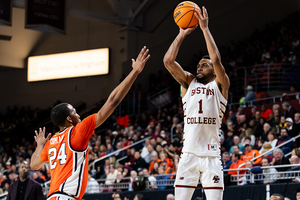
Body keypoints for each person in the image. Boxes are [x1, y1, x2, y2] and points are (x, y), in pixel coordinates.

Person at [30, 47, 150, 200]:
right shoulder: (77, 131)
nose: (78, 114)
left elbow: (34, 164)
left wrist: (40, 144)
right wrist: (135, 72)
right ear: (68, 119)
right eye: (74, 111)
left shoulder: (51, 142)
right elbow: (112, 101)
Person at [163, 6, 230, 200]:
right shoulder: (189, 82)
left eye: (204, 65)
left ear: (213, 70)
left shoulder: (220, 85)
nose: (199, 67)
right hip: (189, 154)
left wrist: (205, 29)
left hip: (211, 156)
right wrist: (181, 34)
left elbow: (216, 59)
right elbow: (168, 61)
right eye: (198, 64)